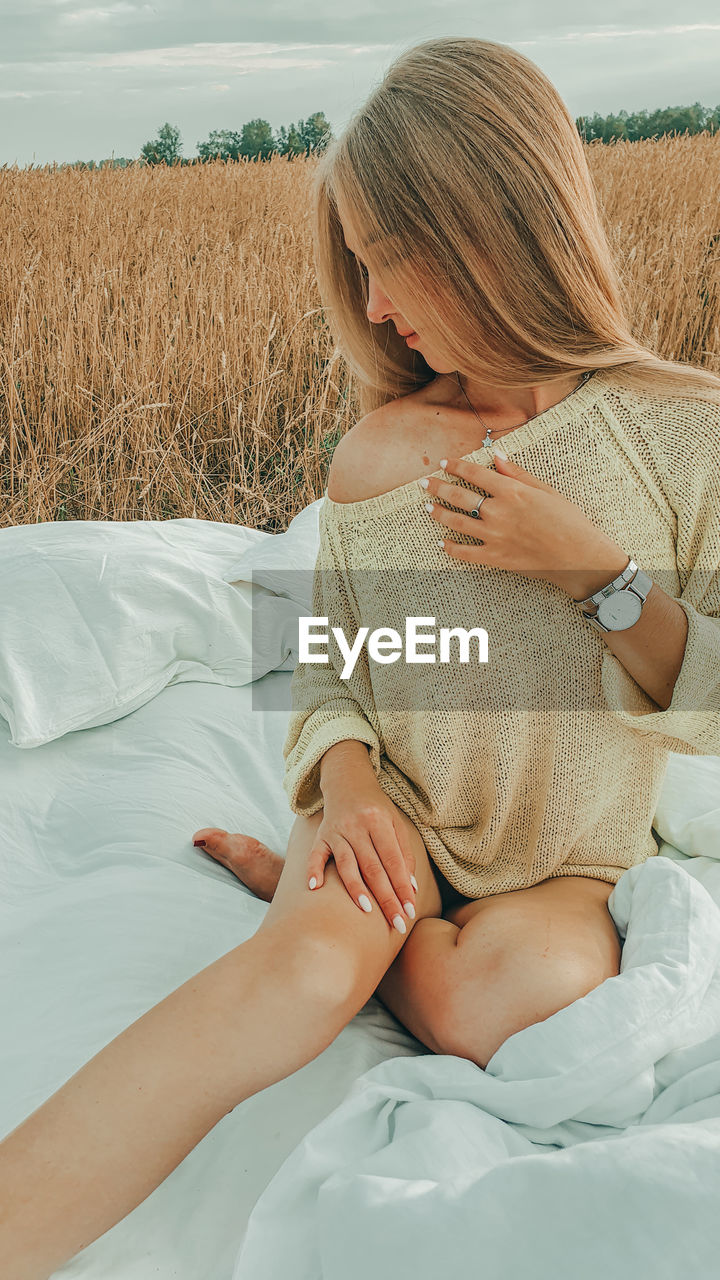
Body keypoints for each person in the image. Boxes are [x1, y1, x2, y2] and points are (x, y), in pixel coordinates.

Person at [2, 34, 720, 1280]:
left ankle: (359, 935)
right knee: (288, 981)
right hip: (393, 826)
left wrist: (594, 577)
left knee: (521, 1003)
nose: (376, 309)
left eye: (392, 262)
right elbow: (335, 658)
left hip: (568, 861)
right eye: (364, 268)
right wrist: (347, 789)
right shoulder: (378, 455)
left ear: (494, 225)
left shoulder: (680, 435)